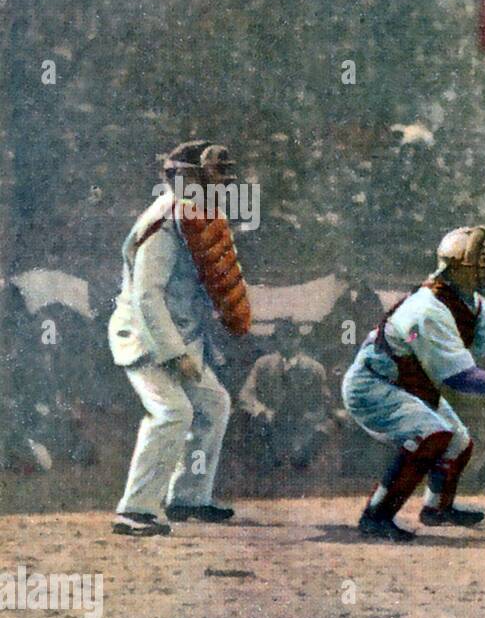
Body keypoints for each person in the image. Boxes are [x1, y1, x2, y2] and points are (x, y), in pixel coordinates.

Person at [340, 225, 485, 541]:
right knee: (432, 435)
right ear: (457, 267)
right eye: (481, 262)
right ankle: (375, 515)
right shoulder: (428, 309)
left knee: (459, 441)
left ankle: (436, 508)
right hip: (374, 385)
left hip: (408, 384)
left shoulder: (466, 300)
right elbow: (461, 377)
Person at [107, 141, 241, 536]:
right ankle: (135, 510)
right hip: (146, 338)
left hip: (180, 335)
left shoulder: (195, 215)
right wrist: (173, 352)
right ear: (185, 178)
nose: (219, 182)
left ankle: (187, 497)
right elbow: (147, 296)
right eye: (210, 175)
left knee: (214, 403)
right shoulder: (164, 222)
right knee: (172, 413)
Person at [239, 320, 333, 471]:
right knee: (267, 461)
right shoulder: (263, 364)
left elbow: (325, 401)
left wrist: (312, 416)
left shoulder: (314, 368)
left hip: (302, 426)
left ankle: (301, 461)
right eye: (282, 337)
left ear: (299, 339)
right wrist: (261, 410)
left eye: (292, 337)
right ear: (276, 340)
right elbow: (245, 395)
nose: (287, 342)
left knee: (319, 435)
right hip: (271, 424)